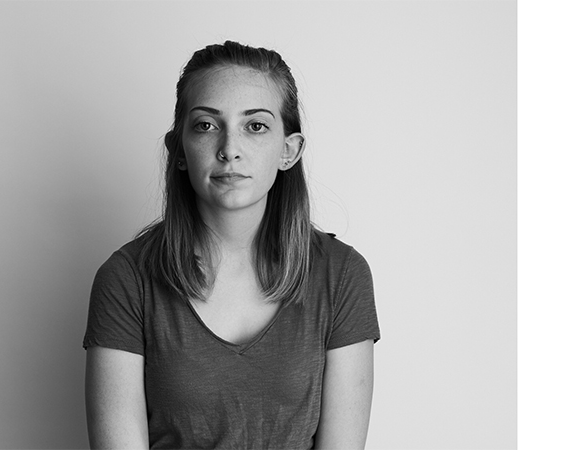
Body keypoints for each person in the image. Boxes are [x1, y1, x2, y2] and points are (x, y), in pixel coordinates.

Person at [83, 40, 380, 450]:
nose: (229, 150)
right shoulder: (126, 280)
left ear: (288, 151)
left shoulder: (342, 275)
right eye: (206, 125)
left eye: (255, 126)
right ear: (179, 150)